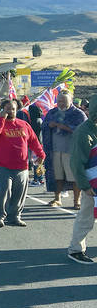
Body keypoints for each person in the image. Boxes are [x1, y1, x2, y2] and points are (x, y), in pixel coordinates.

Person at [0, 99, 45, 228]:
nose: (10, 111)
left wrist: (41, 154)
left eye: (13, 108)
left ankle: (15, 217)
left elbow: (34, 141)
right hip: (2, 165)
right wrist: (1, 119)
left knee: (20, 193)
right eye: (7, 108)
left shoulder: (23, 124)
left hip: (21, 165)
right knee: (2, 191)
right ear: (1, 110)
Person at [42, 91, 87, 209]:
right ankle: (57, 199)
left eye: (64, 101)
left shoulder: (78, 114)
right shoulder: (52, 112)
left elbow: (84, 131)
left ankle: (76, 201)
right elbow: (44, 125)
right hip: (54, 150)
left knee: (74, 176)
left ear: (71, 101)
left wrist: (66, 127)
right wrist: (48, 125)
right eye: (59, 101)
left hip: (72, 151)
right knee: (57, 175)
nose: (61, 103)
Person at [66, 94, 97, 264]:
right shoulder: (84, 132)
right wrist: (85, 186)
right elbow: (77, 162)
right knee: (86, 217)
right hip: (92, 185)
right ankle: (76, 249)